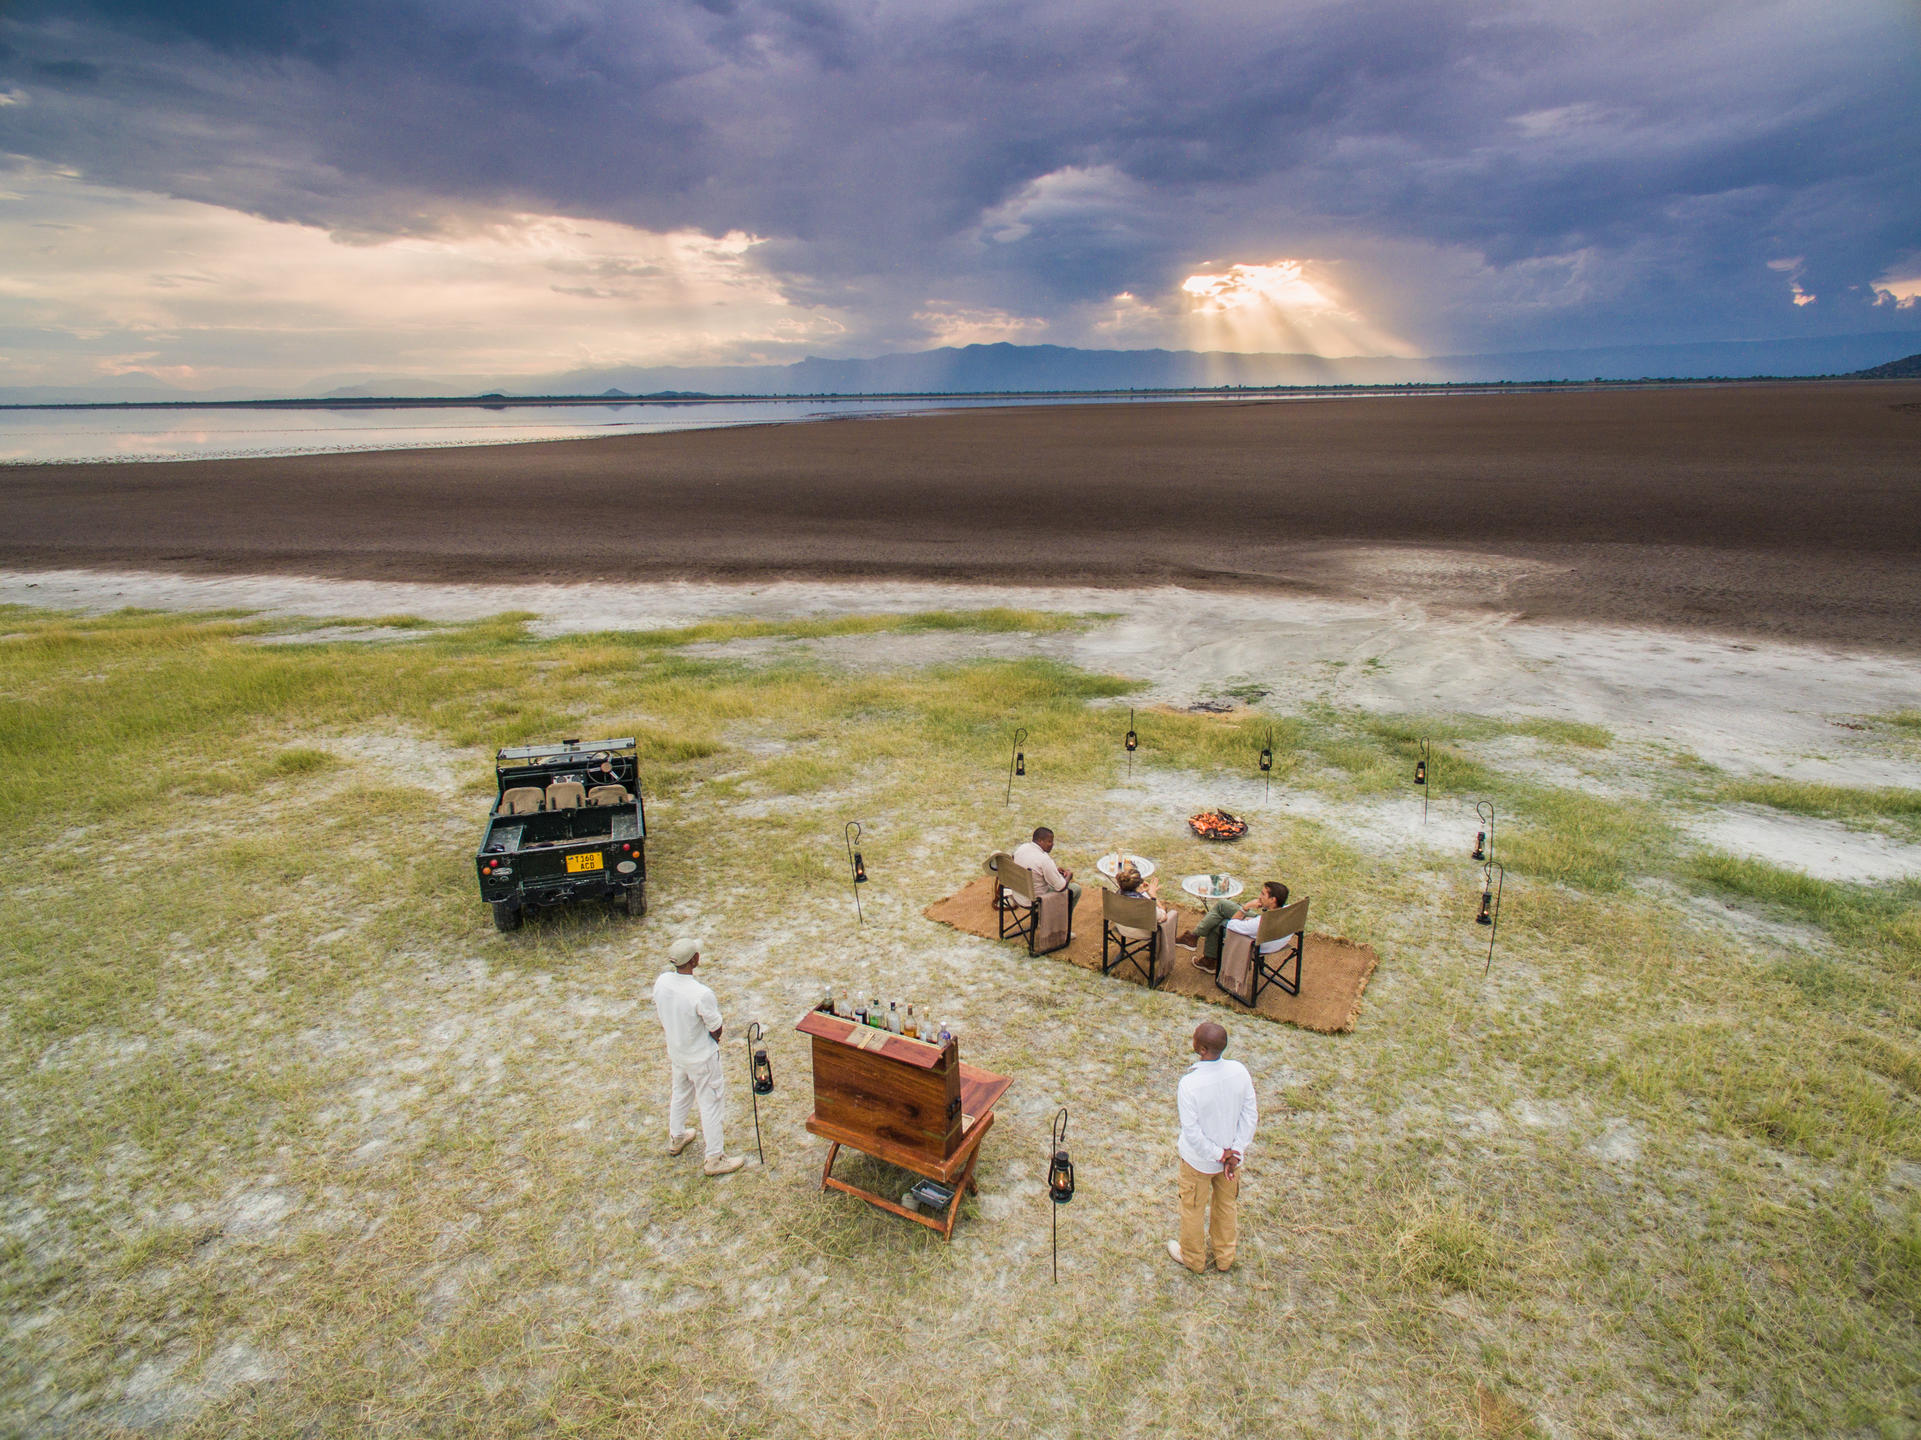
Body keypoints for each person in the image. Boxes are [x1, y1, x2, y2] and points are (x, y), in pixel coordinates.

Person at [651, 937, 746, 1176]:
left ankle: (677, 1136)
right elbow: (716, 1027)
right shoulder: (700, 993)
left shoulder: (662, 982)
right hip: (701, 1058)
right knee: (711, 1103)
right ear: (695, 960)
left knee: (680, 1094)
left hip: (678, 1052)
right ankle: (714, 1158)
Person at [1169, 1021, 1258, 1274]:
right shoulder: (1240, 1072)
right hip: (1230, 1163)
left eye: (1195, 1038)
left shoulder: (1189, 1084)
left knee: (1193, 1208)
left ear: (1202, 1049)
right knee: (1227, 1206)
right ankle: (1225, 1257)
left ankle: (1193, 1259)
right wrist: (1235, 1152)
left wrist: (1220, 1155)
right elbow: (1250, 1116)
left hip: (1198, 1162)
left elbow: (1192, 1132)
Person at [1181, 880, 1288, 970]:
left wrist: (1246, 907)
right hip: (1271, 937)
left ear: (1273, 900)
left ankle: (1209, 959)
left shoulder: (1259, 923)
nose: (1259, 897)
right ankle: (1194, 938)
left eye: (1263, 894)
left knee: (1218, 924)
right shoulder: (1287, 912)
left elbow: (1231, 925)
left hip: (1253, 942)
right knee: (1223, 905)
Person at [1011, 826, 1081, 916]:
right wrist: (1069, 876)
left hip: (1018, 895)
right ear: (1040, 841)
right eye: (1049, 841)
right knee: (1076, 889)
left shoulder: (1022, 848)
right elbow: (1060, 887)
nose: (1052, 844)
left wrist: (1054, 871)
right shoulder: (1044, 860)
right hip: (1034, 900)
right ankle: (1061, 924)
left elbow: (1030, 866)